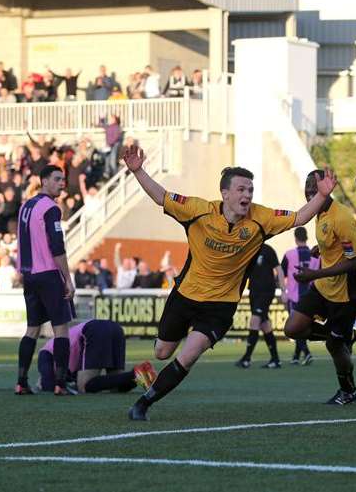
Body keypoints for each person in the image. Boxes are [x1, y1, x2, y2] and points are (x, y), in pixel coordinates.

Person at [122, 146, 336, 420]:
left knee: (189, 355)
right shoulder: (198, 210)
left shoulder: (262, 218)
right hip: (185, 296)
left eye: (250, 190)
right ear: (224, 193)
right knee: (162, 352)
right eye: (241, 190)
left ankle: (142, 404)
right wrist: (138, 170)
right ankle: (147, 375)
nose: (247, 195)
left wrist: (321, 195)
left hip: (220, 307)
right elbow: (161, 196)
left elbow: (300, 217)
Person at [283, 170, 356, 405]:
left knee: (334, 345)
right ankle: (344, 337)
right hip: (324, 287)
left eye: (315, 187)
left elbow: (353, 262)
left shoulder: (341, 217)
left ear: (326, 188)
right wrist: (321, 250)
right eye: (308, 188)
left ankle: (348, 390)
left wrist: (314, 273)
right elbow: (335, 241)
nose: (310, 192)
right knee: (292, 328)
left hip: (347, 294)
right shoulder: (319, 212)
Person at [15, 165, 76, 396]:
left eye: (63, 179)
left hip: (29, 276)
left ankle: (21, 382)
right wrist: (67, 279)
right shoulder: (51, 208)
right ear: (44, 181)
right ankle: (61, 384)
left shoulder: (25, 206)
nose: (62, 183)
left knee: (32, 329)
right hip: (49, 274)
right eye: (57, 179)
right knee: (61, 330)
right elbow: (56, 246)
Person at [37, 320, 156, 393]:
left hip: (93, 330)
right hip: (114, 328)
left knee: (84, 386)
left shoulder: (45, 353)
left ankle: (135, 374)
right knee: (116, 386)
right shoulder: (55, 353)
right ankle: (140, 374)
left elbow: (48, 384)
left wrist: (42, 383)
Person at [235, 243, 284, 369]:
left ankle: (246, 358)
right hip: (254, 291)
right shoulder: (249, 249)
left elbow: (278, 269)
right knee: (264, 324)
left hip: (266, 291)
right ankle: (275, 359)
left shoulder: (268, 250)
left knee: (254, 321)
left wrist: (283, 290)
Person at [280, 226, 320, 365]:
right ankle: (296, 356)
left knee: (296, 327)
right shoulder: (315, 255)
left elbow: (282, 274)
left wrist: (283, 291)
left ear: (296, 238)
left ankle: (307, 353)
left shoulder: (289, 254)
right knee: (302, 326)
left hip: (294, 296)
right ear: (306, 237)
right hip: (311, 296)